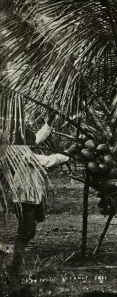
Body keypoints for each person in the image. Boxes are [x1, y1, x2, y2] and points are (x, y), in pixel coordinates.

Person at [7, 111, 71, 276]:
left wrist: (48, 123)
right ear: (25, 143)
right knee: (25, 230)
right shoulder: (22, 154)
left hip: (30, 197)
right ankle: (15, 264)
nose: (34, 143)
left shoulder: (23, 148)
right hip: (24, 199)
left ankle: (16, 262)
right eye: (31, 141)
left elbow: (38, 137)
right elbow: (48, 160)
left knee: (29, 230)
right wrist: (67, 154)